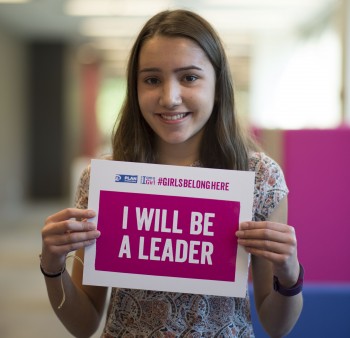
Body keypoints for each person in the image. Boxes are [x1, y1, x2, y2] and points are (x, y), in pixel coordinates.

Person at [40, 9, 303, 338]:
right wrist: (52, 268)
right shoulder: (105, 179)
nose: (170, 97)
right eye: (152, 80)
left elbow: (278, 326)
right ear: (134, 89)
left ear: (218, 85)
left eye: (189, 77)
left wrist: (289, 272)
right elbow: (83, 325)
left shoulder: (260, 179)